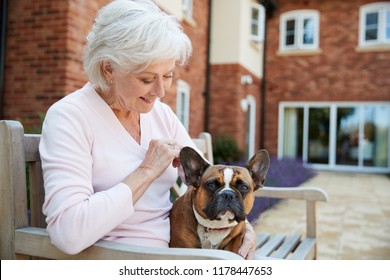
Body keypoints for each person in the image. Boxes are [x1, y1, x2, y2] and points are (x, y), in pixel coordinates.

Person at [39, 0, 256, 259]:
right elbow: (68, 233)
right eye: (147, 79)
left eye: (168, 76)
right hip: (118, 257)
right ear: (109, 68)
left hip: (176, 253)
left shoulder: (160, 113)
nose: (161, 91)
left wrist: (241, 226)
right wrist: (147, 170)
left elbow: (210, 183)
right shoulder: (70, 117)